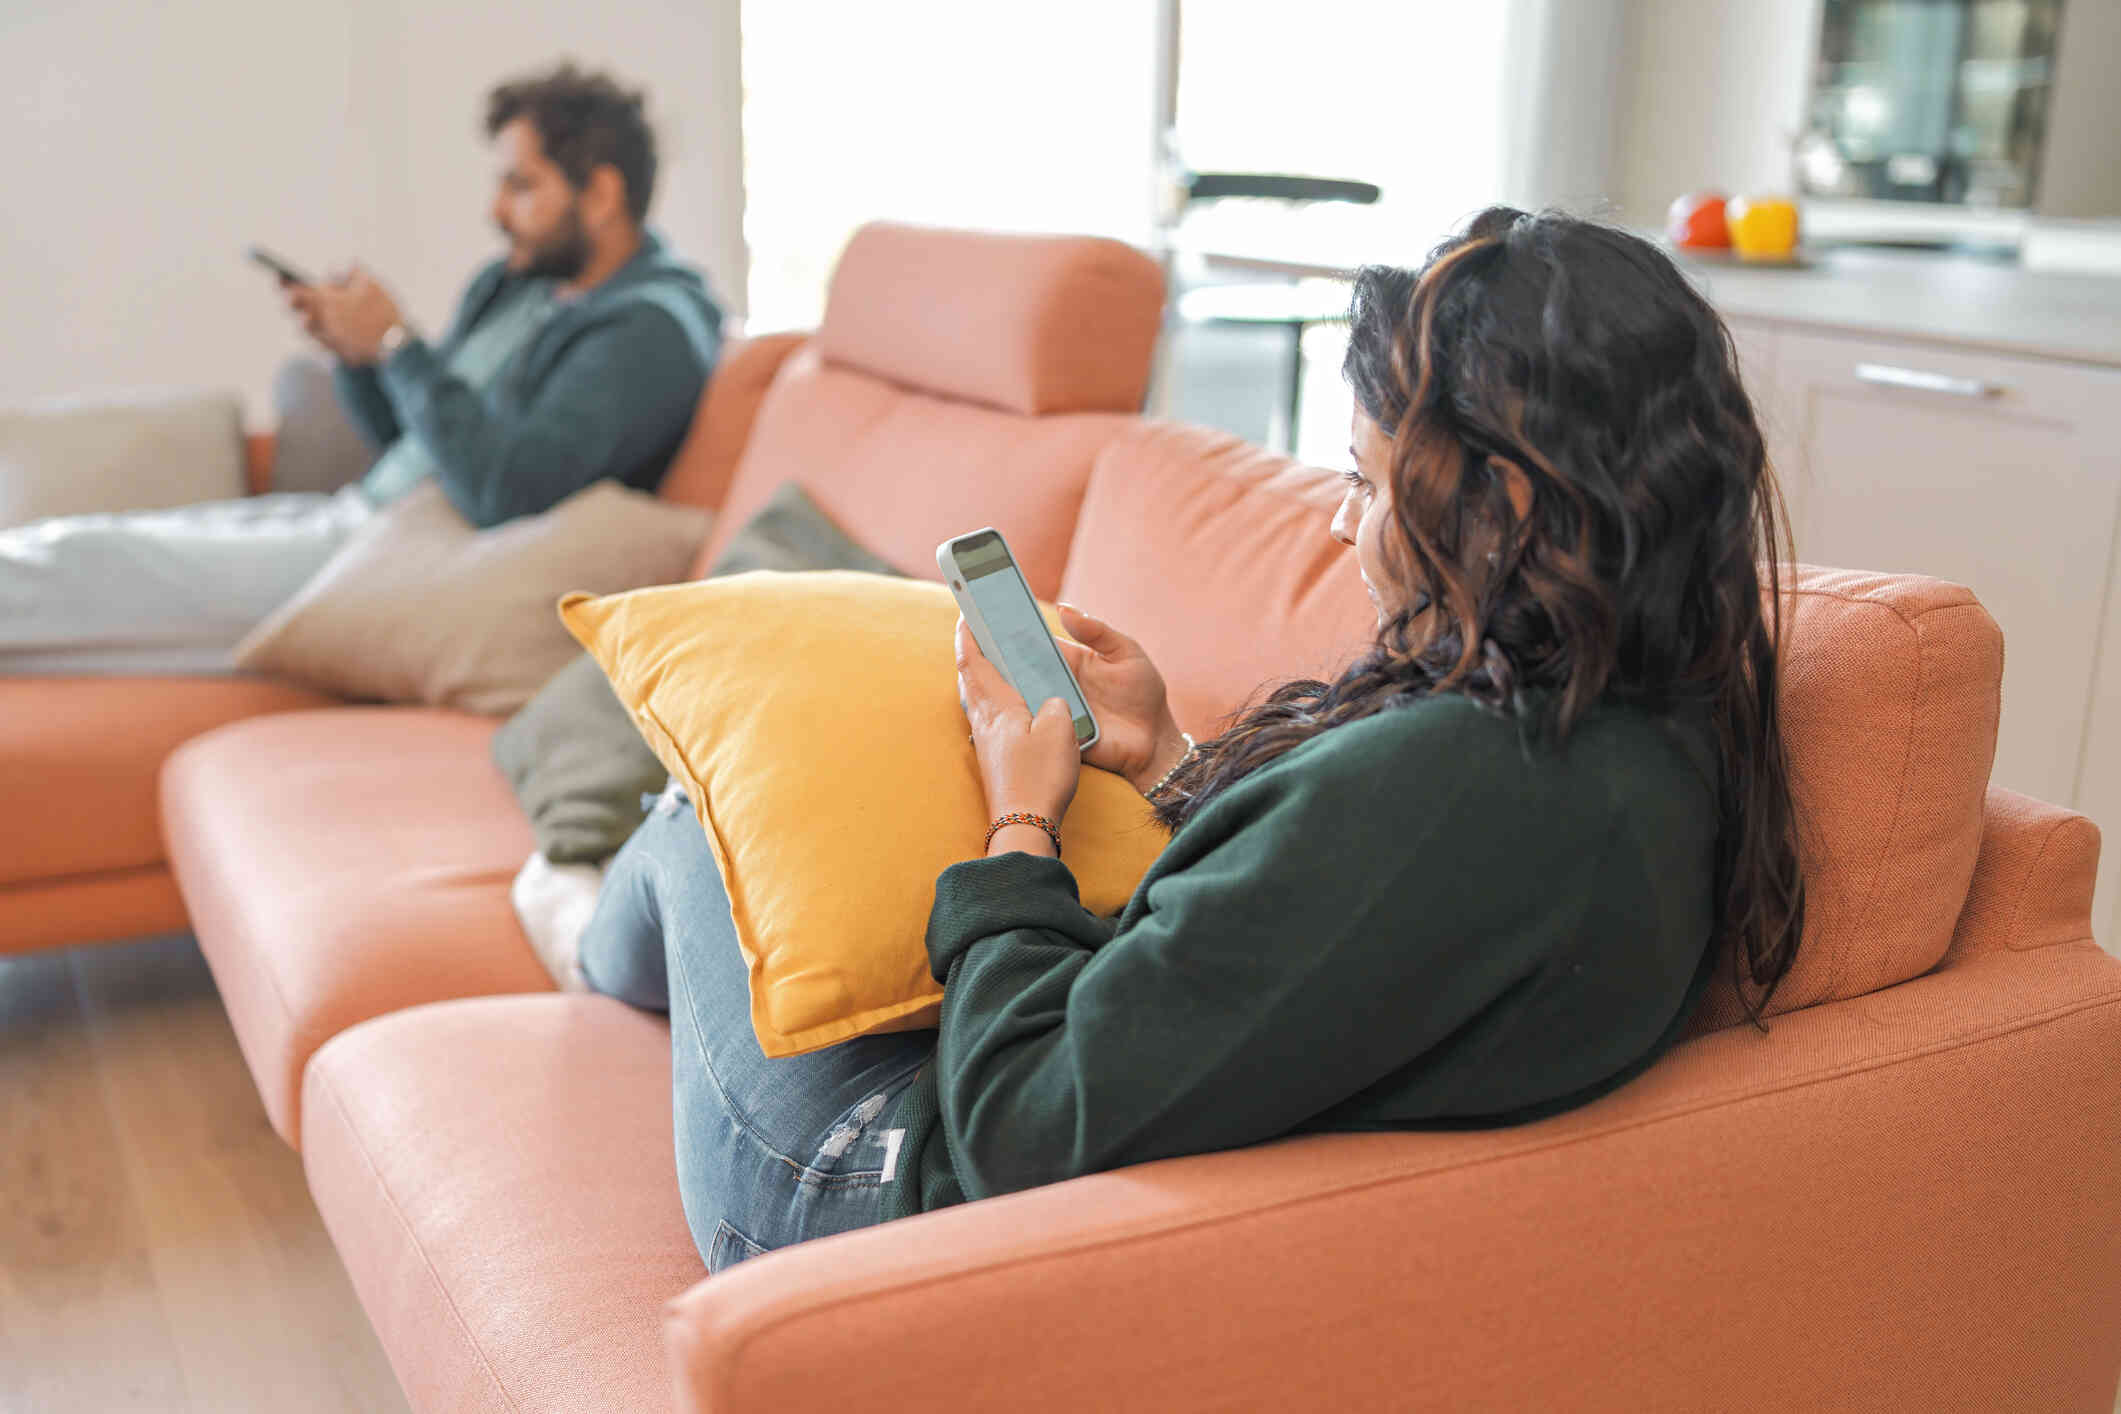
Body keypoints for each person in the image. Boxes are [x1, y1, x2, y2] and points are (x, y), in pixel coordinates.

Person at [579, 206, 1809, 1274]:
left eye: (1372, 483)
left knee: (709, 806)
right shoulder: (1657, 737)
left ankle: (586, 944)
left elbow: (1013, 1127)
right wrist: (1169, 753)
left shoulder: (1454, 792)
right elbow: (1301, 950)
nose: (1344, 523)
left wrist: (1022, 821)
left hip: (886, 1190)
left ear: (1515, 502)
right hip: (1091, 1100)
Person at [0, 63, 721, 676]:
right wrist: (360, 354)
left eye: (521, 185)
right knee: (90, 538)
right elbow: (413, 445)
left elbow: (507, 490)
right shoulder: (516, 284)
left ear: (600, 194)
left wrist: (401, 346)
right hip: (360, 515)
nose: (496, 211)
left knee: (91, 563)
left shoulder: (650, 330)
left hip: (397, 565)